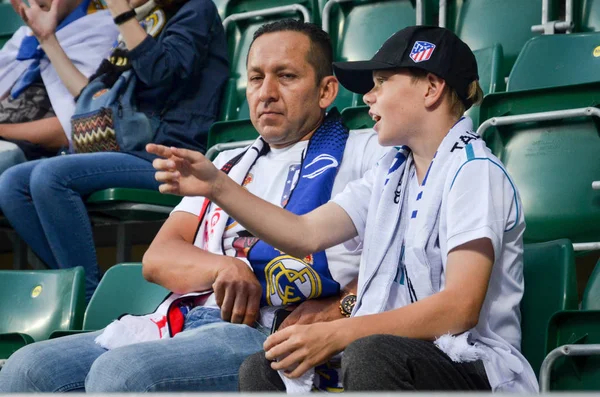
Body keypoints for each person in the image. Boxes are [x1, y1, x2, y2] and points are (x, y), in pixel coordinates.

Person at [147, 26, 539, 392]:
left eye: (382, 83)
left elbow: (460, 308)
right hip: (399, 352)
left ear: (432, 88)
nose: (368, 97)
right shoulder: (391, 172)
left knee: (370, 353)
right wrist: (217, 186)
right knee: (266, 367)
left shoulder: (474, 171)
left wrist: (338, 332)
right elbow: (303, 235)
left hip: (474, 367)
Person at [0, 20, 386, 392]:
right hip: (186, 319)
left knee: (124, 374)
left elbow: (398, 253)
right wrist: (226, 266)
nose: (266, 92)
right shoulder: (225, 163)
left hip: (267, 327)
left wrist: (341, 306)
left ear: (326, 91)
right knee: (27, 369)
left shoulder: (367, 151)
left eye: (286, 76)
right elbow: (158, 259)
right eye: (255, 78)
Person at [0, 0, 228, 301]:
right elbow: (90, 95)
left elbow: (163, 75)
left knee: (50, 175)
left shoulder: (196, 9)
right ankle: (79, 294)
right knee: (12, 184)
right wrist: (47, 39)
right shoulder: (144, 20)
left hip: (171, 156)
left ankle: (87, 299)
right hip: (127, 149)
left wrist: (122, 14)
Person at [0, 0, 117, 174]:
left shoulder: (107, 32)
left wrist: (2, 130)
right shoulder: (25, 35)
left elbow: (77, 127)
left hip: (38, 157)